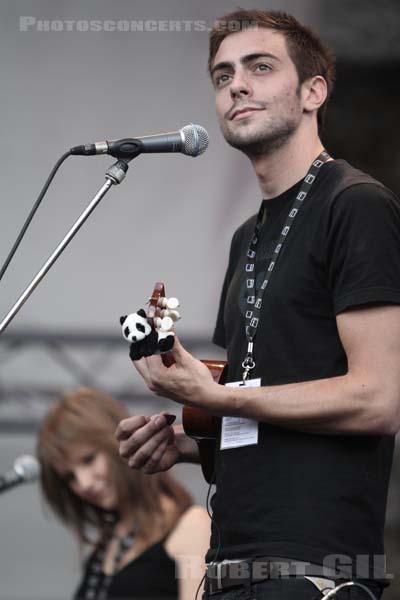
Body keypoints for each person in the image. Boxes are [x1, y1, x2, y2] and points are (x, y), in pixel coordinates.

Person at [115, 9, 400, 600]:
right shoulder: (247, 236)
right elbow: (258, 406)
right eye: (222, 77)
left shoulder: (356, 207)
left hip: (315, 571)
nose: (236, 85)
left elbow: (380, 399)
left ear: (313, 91)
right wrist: (193, 445)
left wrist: (212, 395)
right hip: (228, 568)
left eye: (260, 67)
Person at [37, 387, 210, 600]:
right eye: (70, 477)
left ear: (117, 442)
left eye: (89, 459)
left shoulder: (192, 525)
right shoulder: (109, 542)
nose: (84, 483)